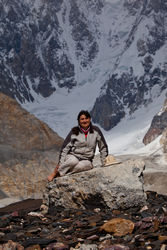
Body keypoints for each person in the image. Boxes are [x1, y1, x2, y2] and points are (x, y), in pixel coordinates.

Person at [47, 110, 108, 181]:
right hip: (73, 156)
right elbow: (65, 148)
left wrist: (104, 161)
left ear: (90, 119)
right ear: (79, 121)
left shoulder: (96, 130)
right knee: (73, 161)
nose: (84, 121)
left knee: (81, 166)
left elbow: (103, 147)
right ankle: (56, 172)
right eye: (82, 119)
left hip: (87, 159)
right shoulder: (74, 131)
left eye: (86, 118)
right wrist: (60, 164)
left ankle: (62, 174)